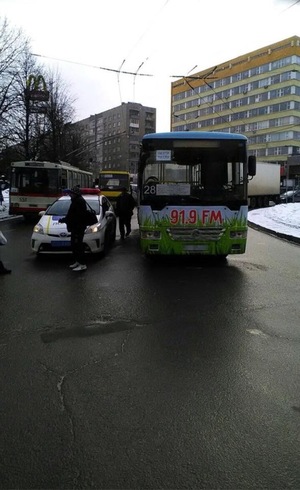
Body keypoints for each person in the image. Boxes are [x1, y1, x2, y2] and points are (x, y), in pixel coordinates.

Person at [59, 187, 88, 271]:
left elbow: (74, 216)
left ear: (75, 194)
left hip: (78, 227)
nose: (70, 195)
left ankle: (82, 264)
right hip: (76, 227)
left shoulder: (78, 201)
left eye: (71, 193)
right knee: (75, 245)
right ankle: (78, 261)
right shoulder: (77, 200)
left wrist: (64, 220)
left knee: (78, 246)